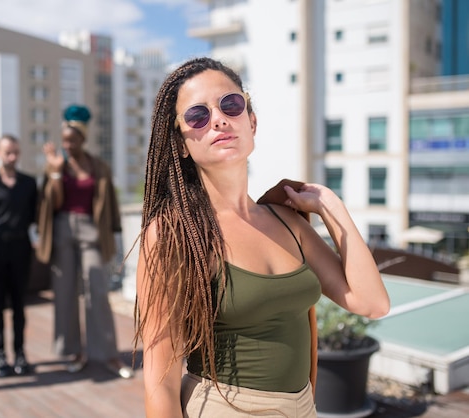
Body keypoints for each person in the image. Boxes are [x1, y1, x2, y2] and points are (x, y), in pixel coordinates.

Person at [135, 57, 390, 417]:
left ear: (251, 122)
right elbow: (159, 382)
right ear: (180, 143)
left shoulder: (287, 221)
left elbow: (371, 303)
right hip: (225, 408)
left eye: (231, 105)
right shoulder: (173, 235)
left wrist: (330, 206)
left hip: (303, 407)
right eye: (197, 116)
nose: (219, 119)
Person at [36, 104, 134, 379]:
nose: (67, 145)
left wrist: (114, 238)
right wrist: (55, 173)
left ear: (82, 139)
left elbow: (110, 206)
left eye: (72, 140)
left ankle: (108, 355)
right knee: (65, 293)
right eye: (64, 140)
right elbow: (51, 204)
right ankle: (73, 352)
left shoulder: (97, 166)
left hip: (91, 231)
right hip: (62, 230)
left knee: (97, 291)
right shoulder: (56, 165)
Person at [0, 134, 38, 377]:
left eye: (15, 152)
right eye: (7, 152)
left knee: (19, 304)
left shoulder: (29, 183)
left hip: (21, 246)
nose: (12, 157)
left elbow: (34, 213)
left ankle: (20, 353)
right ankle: (0, 354)